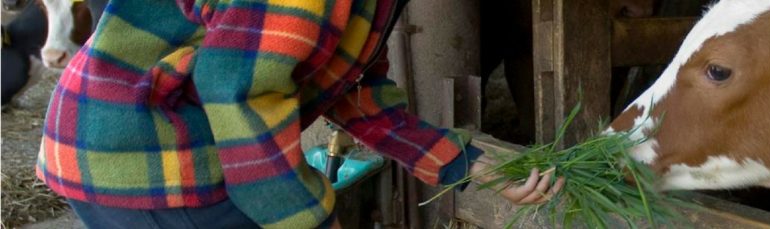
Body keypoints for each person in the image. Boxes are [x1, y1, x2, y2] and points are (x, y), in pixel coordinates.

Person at [35, 0, 562, 228]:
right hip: (149, 149)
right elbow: (236, 89)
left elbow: (350, 85)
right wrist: (309, 220)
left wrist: (460, 164)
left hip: (119, 139)